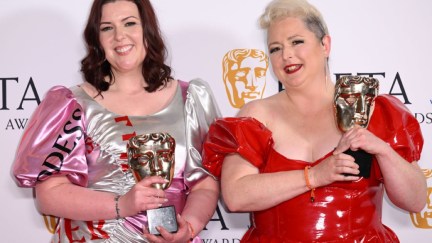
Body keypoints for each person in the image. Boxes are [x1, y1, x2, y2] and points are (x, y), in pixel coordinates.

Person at [202, 0, 426, 242]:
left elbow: (415, 201)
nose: (286, 55)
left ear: (325, 45)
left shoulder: (375, 110)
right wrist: (315, 176)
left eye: (296, 42)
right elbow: (236, 196)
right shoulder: (255, 115)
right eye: (275, 48)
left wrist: (383, 151)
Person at [12, 0, 220, 242]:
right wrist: (122, 204)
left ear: (148, 30)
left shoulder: (190, 98)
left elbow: (205, 184)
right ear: (96, 40)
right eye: (107, 28)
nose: (120, 36)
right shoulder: (72, 104)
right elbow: (49, 196)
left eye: (129, 23)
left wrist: (190, 228)